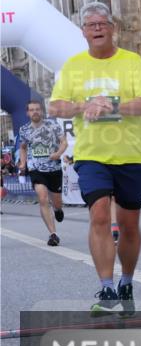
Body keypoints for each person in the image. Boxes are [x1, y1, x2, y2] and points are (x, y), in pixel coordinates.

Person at [48, 1, 141, 316]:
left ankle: (127, 280)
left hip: (130, 153)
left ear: (113, 28)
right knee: (99, 215)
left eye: (102, 24)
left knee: (129, 224)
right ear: (83, 32)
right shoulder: (74, 66)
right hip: (92, 154)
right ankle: (107, 287)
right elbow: (56, 107)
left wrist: (110, 106)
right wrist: (85, 106)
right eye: (91, 25)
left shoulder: (132, 62)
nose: (97, 29)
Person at [18, 100, 67, 246]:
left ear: (42, 111)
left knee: (56, 201)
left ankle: (58, 209)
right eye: (32, 110)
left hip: (54, 168)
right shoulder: (24, 129)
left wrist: (58, 153)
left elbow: (64, 142)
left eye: (37, 109)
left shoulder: (52, 125)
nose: (35, 112)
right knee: (43, 197)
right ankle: (53, 234)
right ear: (28, 113)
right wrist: (23, 163)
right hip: (36, 168)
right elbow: (23, 148)